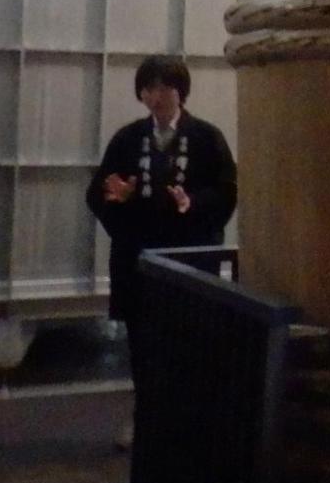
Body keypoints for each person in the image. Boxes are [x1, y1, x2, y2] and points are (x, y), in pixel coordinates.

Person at [86, 55, 238, 328]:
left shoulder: (207, 137)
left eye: (165, 88)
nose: (156, 96)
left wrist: (193, 202)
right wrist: (120, 200)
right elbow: (96, 194)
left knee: (188, 334)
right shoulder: (127, 138)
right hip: (139, 258)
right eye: (148, 89)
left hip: (189, 257)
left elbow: (227, 193)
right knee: (141, 340)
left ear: (180, 91)